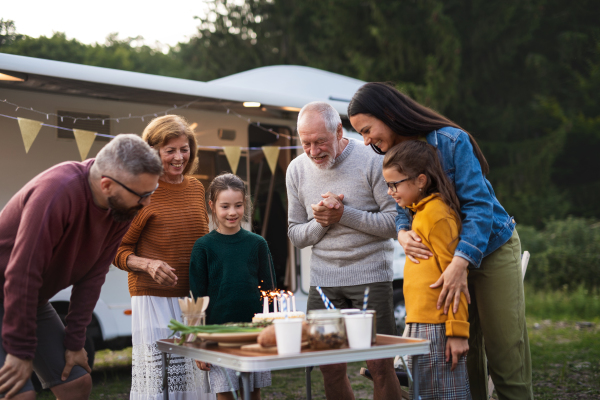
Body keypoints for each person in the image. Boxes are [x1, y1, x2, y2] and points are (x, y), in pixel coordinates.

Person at [348, 82, 533, 399]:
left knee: (505, 356)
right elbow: (402, 205)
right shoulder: (392, 156)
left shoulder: (449, 140)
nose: (365, 141)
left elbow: (479, 206)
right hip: (444, 260)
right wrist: (402, 232)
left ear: (388, 113)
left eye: (366, 130)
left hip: (489, 250)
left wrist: (462, 261)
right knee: (461, 357)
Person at [0, 134, 162, 399]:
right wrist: (20, 351)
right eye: (142, 195)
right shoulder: (57, 193)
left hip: (31, 299)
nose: (147, 203)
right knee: (18, 393)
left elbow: (94, 276)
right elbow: (22, 275)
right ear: (107, 184)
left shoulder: (121, 210)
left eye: (151, 192)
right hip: (15, 287)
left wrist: (75, 343)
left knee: (76, 383)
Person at [286, 101, 402, 400]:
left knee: (380, 364)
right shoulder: (296, 170)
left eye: (320, 142)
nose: (313, 152)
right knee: (329, 366)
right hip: (323, 282)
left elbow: (394, 223)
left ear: (339, 131)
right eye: (306, 143)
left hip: (370, 278)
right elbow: (296, 234)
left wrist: (343, 214)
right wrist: (322, 222)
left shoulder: (373, 160)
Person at [113, 115, 213, 400]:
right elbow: (117, 250)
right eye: (170, 150)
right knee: (161, 387)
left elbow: (202, 243)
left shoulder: (196, 188)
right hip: (154, 299)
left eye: (184, 148)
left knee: (197, 384)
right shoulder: (141, 190)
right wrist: (148, 264)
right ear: (153, 151)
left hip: (193, 300)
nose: (179, 157)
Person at [383, 140, 471, 399]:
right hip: (421, 322)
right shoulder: (418, 213)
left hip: (439, 328)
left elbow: (457, 283)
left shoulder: (437, 215)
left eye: (394, 184)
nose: (390, 192)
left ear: (420, 180)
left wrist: (457, 333)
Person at [189, 173, 276, 400]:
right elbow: (197, 298)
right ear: (212, 206)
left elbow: (270, 292)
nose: (232, 212)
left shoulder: (257, 244)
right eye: (225, 206)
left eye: (238, 205)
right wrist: (199, 341)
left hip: (255, 334)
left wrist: (273, 330)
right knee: (225, 393)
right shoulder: (203, 247)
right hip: (219, 336)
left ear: (245, 203)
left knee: (252, 393)